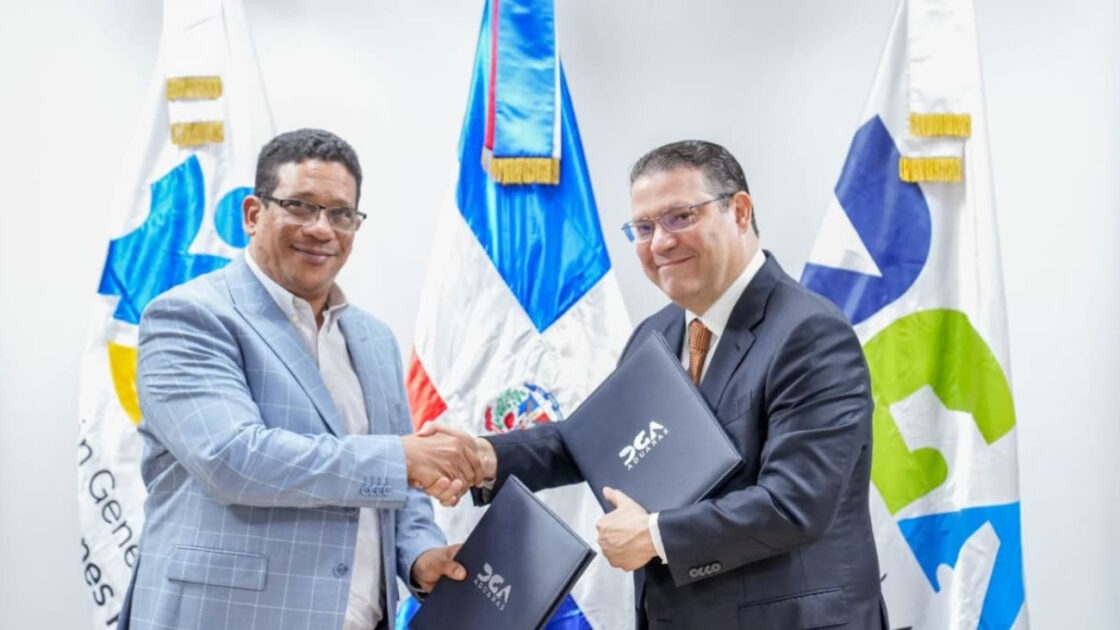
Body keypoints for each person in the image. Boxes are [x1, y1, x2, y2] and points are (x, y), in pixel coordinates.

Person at [454, 140, 887, 628]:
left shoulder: (809, 332)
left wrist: (654, 536)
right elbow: (599, 442)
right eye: (643, 228)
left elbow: (795, 503)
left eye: (680, 217)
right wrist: (484, 458)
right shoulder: (656, 333)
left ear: (739, 211)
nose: (660, 242)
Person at [119, 129, 484, 630]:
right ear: (253, 214)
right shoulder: (189, 316)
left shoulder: (374, 339)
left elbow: (403, 491)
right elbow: (233, 459)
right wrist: (401, 458)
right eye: (300, 206)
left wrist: (420, 557)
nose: (321, 229)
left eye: (341, 214)